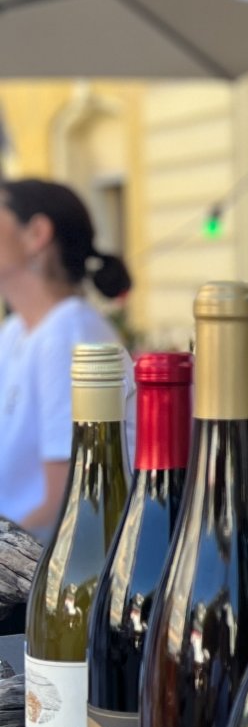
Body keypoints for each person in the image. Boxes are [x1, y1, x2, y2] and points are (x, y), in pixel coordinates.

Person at [0, 179, 131, 535]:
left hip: (32, 563)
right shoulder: (14, 331)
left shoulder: (70, 335)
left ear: (37, 234)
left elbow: (62, 506)